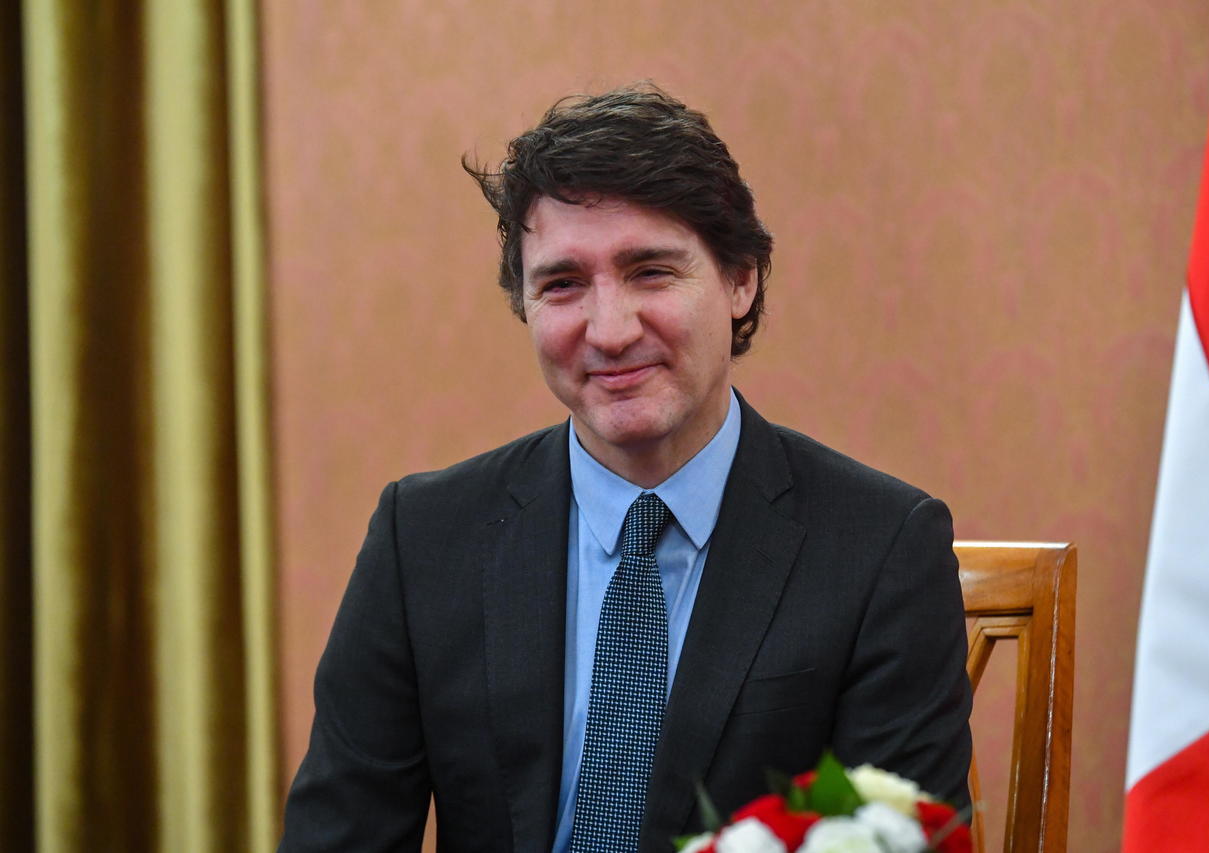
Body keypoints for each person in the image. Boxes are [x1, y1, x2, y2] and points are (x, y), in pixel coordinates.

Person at [279, 85, 971, 853]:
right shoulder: (424, 539)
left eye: (650, 272)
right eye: (563, 284)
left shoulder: (880, 550)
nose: (609, 331)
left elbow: (900, 839)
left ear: (740, 279)